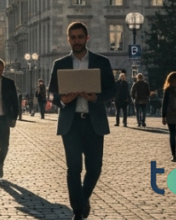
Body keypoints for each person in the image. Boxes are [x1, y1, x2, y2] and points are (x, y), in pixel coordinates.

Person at [49, 21, 116, 220]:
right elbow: (51, 93)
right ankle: (78, 212)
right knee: (74, 168)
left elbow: (112, 90)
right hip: (71, 123)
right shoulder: (59, 64)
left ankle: (82, 198)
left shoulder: (101, 62)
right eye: (73, 37)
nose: (76, 41)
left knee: (95, 168)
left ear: (87, 38)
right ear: (68, 39)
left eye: (80, 37)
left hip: (93, 121)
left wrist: (97, 98)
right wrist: (62, 100)